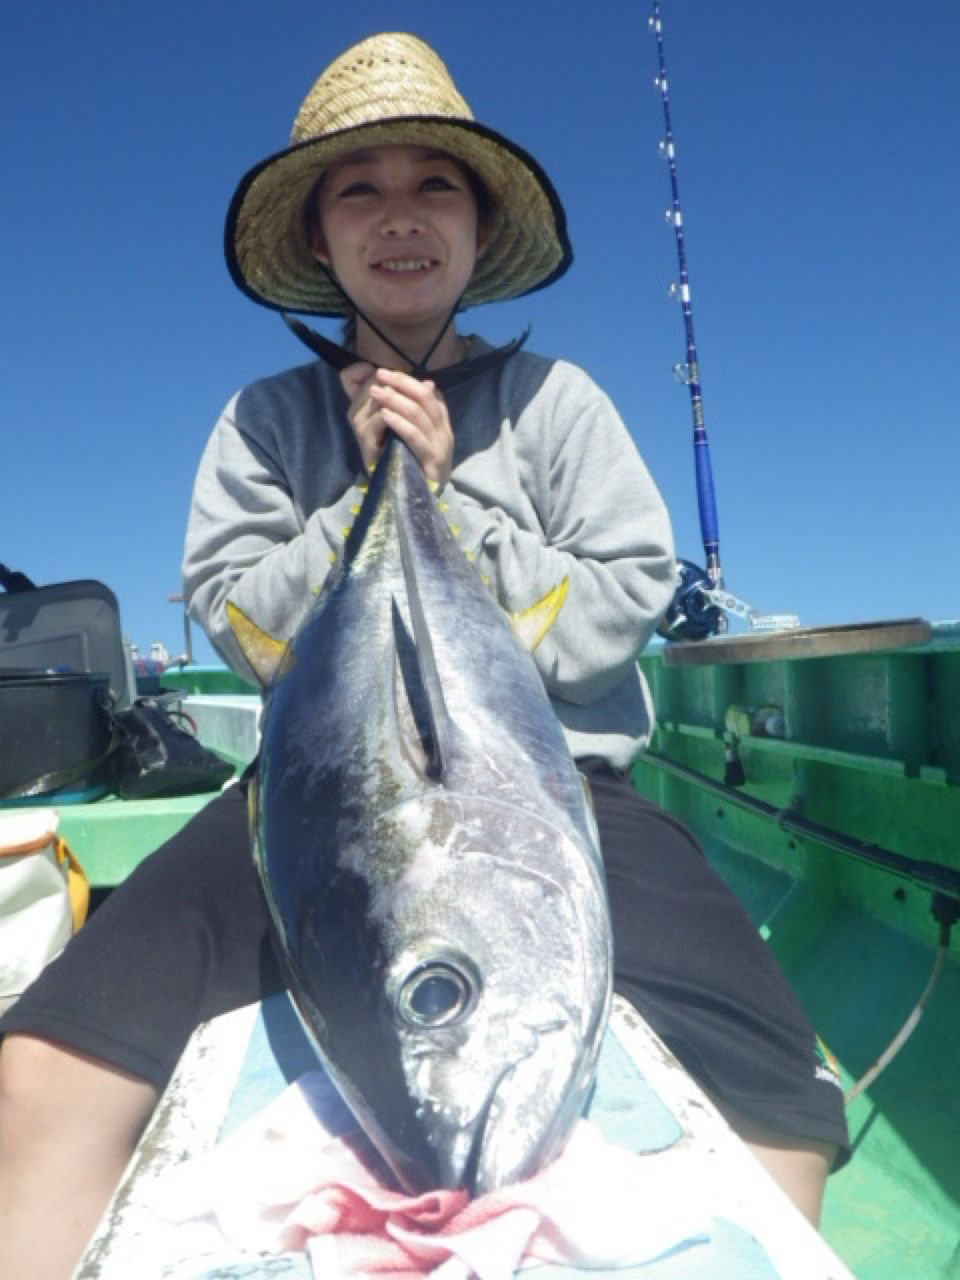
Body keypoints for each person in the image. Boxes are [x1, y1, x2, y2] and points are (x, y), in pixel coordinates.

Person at [0, 32, 849, 1279]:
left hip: (567, 794)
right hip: (296, 800)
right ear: (321, 236)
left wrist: (451, 497)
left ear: (476, 221)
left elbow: (630, 591)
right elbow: (235, 622)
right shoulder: (265, 421)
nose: (400, 218)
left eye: (433, 186)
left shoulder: (561, 405)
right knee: (36, 1068)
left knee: (784, 1098)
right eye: (361, 190)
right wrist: (360, 501)